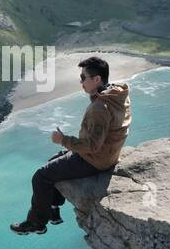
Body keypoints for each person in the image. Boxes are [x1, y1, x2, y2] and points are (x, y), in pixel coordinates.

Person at [10, 55, 131, 235]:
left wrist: (63, 139)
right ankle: (53, 209)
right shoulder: (117, 95)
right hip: (109, 154)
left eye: (84, 78)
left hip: (95, 160)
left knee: (40, 177)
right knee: (55, 159)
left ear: (97, 79)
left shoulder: (100, 107)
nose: (81, 82)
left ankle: (37, 223)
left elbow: (92, 145)